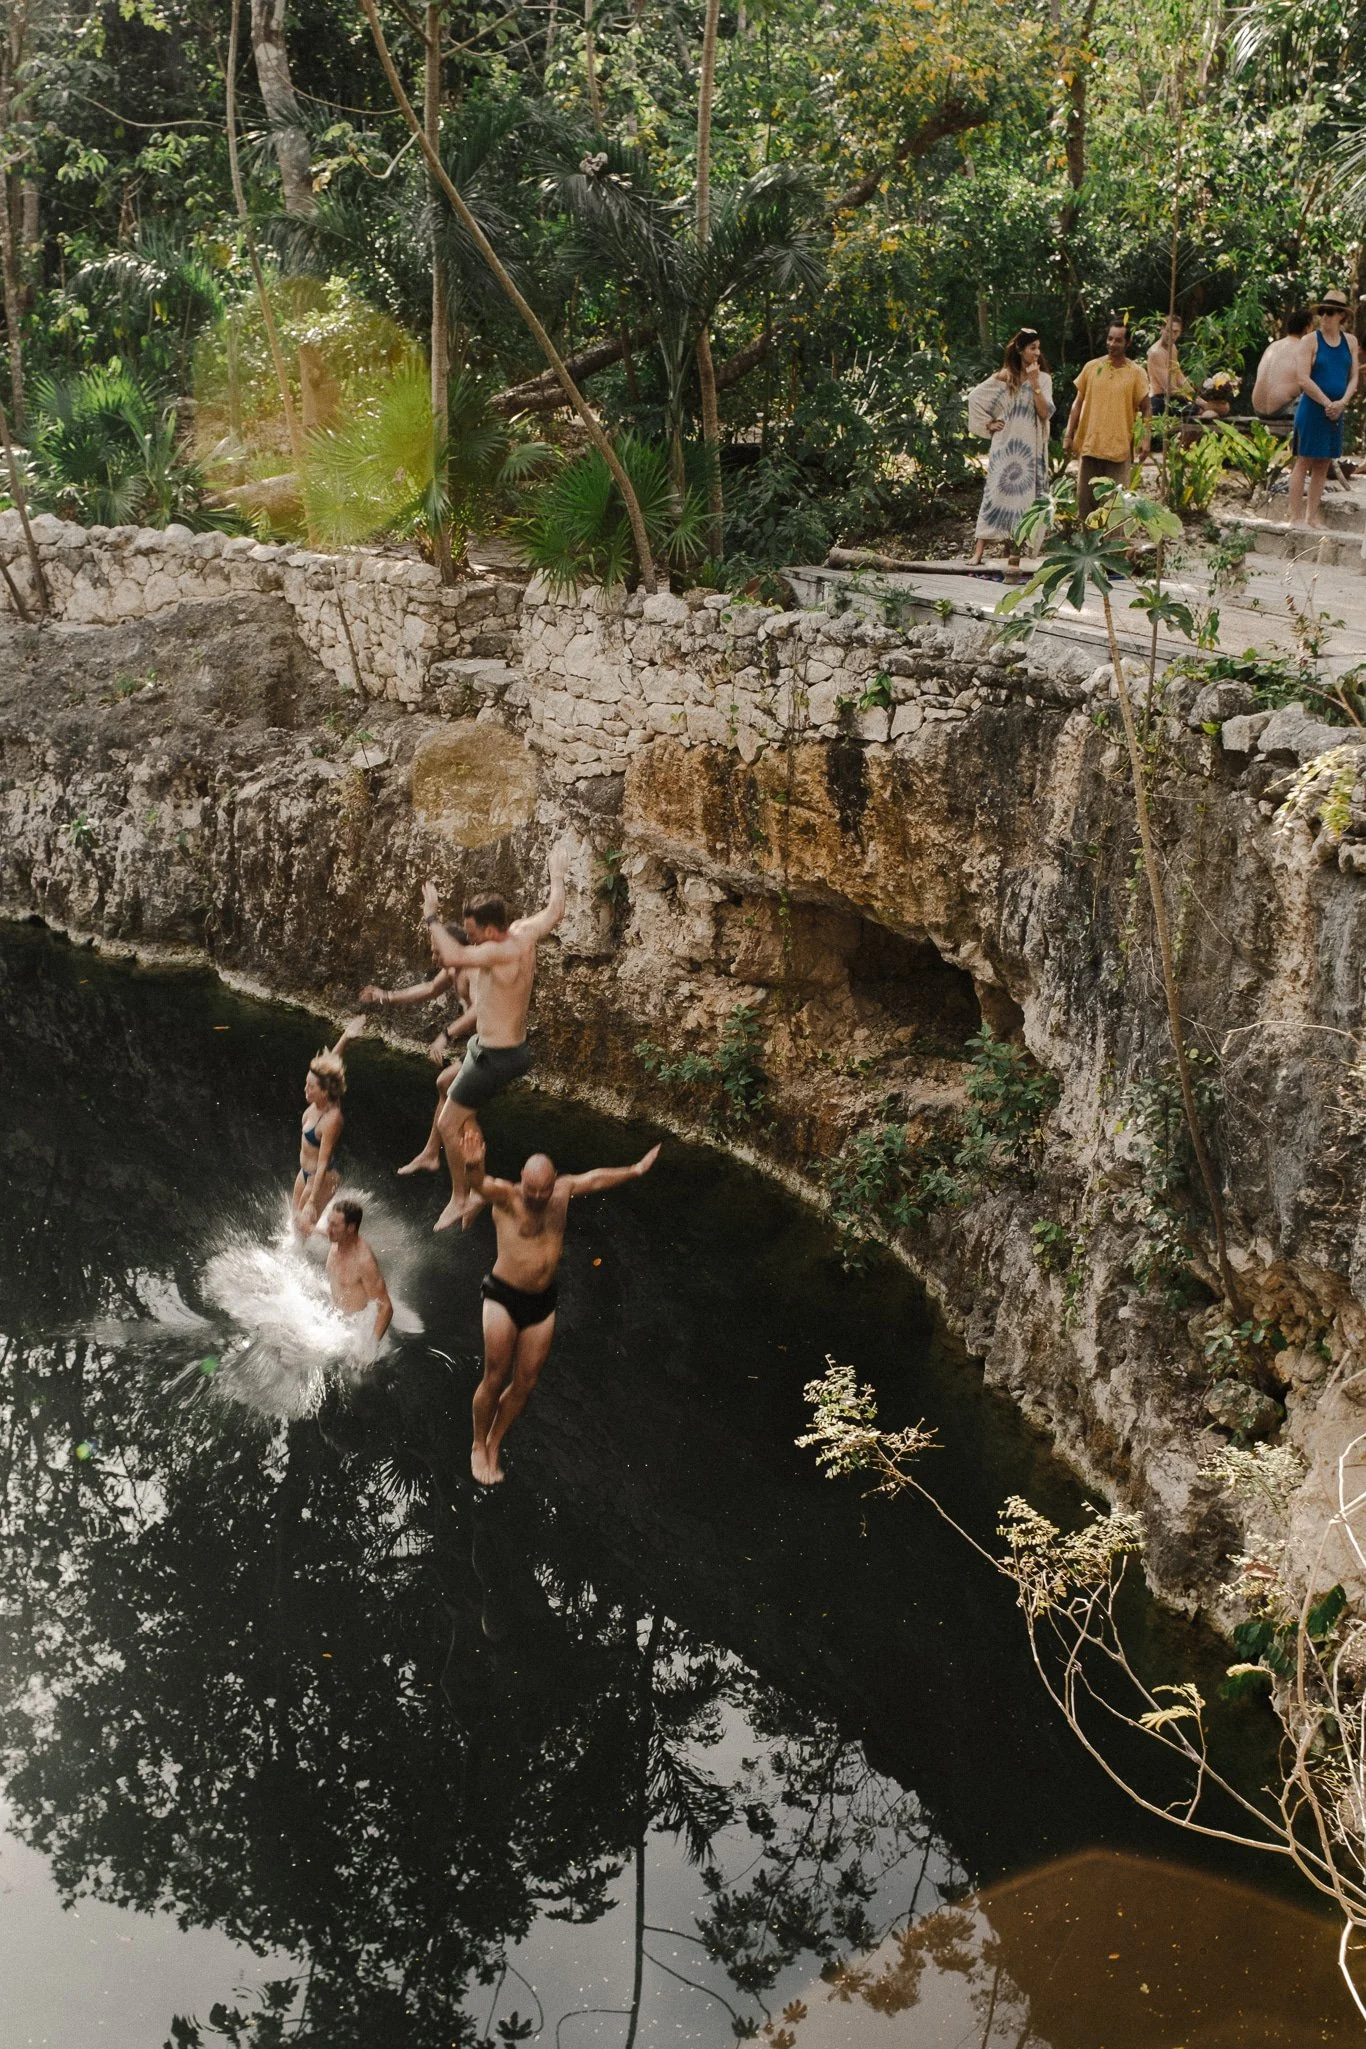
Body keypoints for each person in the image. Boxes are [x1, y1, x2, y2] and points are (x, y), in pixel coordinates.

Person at [459, 1122, 660, 1485]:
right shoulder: (506, 1194)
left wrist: (635, 1170)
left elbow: (595, 1179)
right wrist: (473, 1165)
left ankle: (494, 1441)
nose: (537, 1197)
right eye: (532, 1189)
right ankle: (477, 1444)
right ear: (522, 1178)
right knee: (494, 1373)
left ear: (554, 1182)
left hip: (542, 1302)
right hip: (502, 1296)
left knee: (526, 1382)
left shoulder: (562, 1191)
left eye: (544, 1190)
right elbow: (479, 1185)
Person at [421, 845, 570, 1231]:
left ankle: (463, 1196)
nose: (469, 940)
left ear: (489, 930)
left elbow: (453, 956)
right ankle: (445, 1163)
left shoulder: (496, 953)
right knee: (447, 1085)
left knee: (448, 1124)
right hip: (505, 1049)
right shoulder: (524, 932)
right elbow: (555, 910)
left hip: (495, 1056)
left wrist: (432, 916)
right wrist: (557, 873)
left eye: (472, 933)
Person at [358, 960, 478, 1175]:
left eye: (437, 950)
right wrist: (386, 995)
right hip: (478, 1043)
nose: (433, 955)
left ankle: (468, 1181)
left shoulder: (473, 970)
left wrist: (446, 1035)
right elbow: (430, 988)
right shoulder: (453, 969)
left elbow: (478, 1010)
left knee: (454, 1093)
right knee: (446, 1085)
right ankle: (432, 1153)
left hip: (490, 1044)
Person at [968, 329, 1054, 568]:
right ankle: (978, 551)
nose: (1037, 352)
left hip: (1030, 447)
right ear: (1020, 350)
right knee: (994, 493)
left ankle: (1013, 549)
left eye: (1038, 347)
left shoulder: (1044, 379)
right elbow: (975, 397)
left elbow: (1044, 412)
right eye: (1032, 348)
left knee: (1025, 499)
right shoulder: (1004, 377)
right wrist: (988, 423)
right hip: (1005, 445)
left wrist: (1035, 382)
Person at [1062, 321, 1152, 517]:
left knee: (1114, 508)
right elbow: (1077, 403)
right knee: (1086, 507)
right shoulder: (1092, 367)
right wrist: (1069, 435)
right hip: (1090, 446)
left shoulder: (1136, 373)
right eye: (1110, 339)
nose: (1112, 344)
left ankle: (1114, 548)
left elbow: (1146, 408)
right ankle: (1089, 547)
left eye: (1118, 340)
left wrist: (1146, 439)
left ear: (1127, 343)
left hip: (1119, 450)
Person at [1288, 289, 1360, 528]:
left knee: (1323, 462)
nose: (1325, 317)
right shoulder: (1310, 341)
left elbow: (1353, 377)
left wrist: (1342, 403)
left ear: (1341, 316)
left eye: (1330, 312)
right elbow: (1302, 378)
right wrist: (1327, 402)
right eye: (1322, 312)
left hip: (1336, 410)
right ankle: (1295, 516)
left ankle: (1311, 515)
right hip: (1314, 407)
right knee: (1304, 460)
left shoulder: (1350, 342)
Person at [292, 1019, 364, 1235]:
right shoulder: (319, 1100)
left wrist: (313, 1199)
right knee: (294, 1221)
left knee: (303, 1228)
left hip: (320, 1178)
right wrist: (346, 1037)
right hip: (305, 1172)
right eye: (306, 1083)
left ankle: (336, 1244)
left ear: (325, 1091)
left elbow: (323, 1162)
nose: (305, 1089)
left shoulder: (332, 1118)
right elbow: (332, 1063)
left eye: (310, 1087)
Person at [322, 1199, 393, 1352]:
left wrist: (370, 1347)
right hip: (333, 1319)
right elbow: (324, 1232)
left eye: (334, 1225)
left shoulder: (364, 1262)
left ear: (351, 1228)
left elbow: (386, 1307)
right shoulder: (337, 1240)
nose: (328, 1229)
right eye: (329, 1222)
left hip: (352, 1332)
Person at [1252, 307, 1314, 417]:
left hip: (1258, 409)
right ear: (1307, 328)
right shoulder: (1304, 348)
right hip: (1283, 409)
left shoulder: (1273, 346)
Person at [1146, 314, 1194, 415]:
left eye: (1176, 332)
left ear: (1180, 333)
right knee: (1206, 411)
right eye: (1168, 330)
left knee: (1219, 408)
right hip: (1160, 400)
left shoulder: (1173, 348)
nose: (1172, 335)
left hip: (1174, 397)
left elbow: (1178, 375)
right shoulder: (1156, 352)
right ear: (1162, 329)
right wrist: (1195, 399)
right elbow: (1169, 388)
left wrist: (1194, 394)